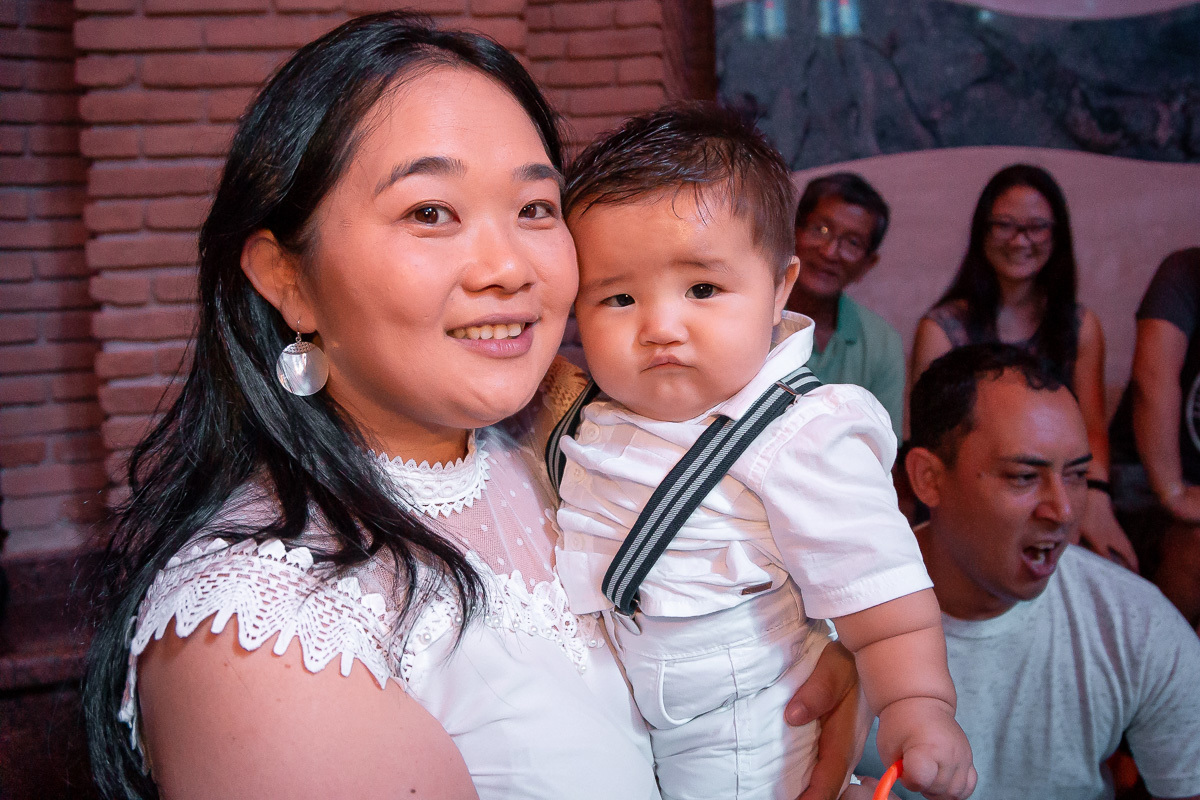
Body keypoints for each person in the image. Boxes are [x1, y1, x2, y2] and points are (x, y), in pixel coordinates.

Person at [82, 13, 870, 800]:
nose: (510, 268)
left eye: (535, 208)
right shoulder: (262, 637)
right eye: (430, 212)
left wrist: (792, 670)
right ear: (288, 279)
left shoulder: (581, 448)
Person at [555, 106, 975, 800]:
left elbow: (882, 592)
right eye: (619, 298)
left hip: (743, 720)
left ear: (780, 288)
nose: (660, 326)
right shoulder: (591, 412)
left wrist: (917, 705)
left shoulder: (800, 432)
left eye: (702, 289)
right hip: (622, 704)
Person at [860, 343, 1200, 800]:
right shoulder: (830, 620)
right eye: (1024, 476)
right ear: (928, 478)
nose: (1063, 511)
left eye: (1076, 475)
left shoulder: (1133, 621)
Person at [910, 164, 1137, 569]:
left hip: (1057, 487)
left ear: (1056, 235)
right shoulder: (942, 328)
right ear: (982, 231)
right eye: (1004, 225)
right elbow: (928, 439)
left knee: (1110, 567)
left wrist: (1096, 496)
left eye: (1036, 227)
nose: (1019, 240)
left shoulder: (1080, 326)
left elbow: (1092, 427)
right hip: (971, 494)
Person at [1109, 247, 1200, 628]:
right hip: (1146, 482)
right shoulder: (1185, 273)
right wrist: (1173, 491)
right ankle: (1160, 657)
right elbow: (1153, 378)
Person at [786, 173, 904, 436]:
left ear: (867, 264)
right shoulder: (748, 315)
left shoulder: (882, 343)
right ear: (794, 231)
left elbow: (882, 450)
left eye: (852, 242)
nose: (830, 252)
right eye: (821, 229)